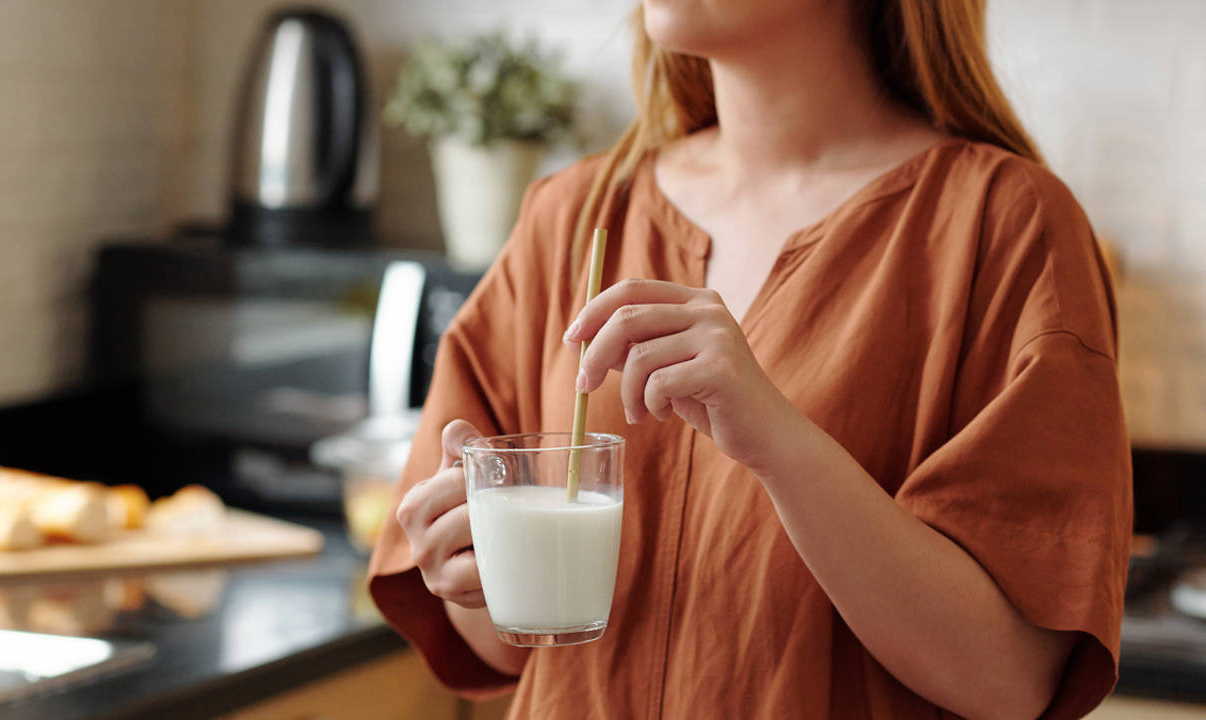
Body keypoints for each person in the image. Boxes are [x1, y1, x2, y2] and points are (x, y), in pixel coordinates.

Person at [370, 0, 1132, 718]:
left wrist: (781, 444)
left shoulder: (1007, 229)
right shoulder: (570, 217)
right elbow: (499, 647)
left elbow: (1012, 682)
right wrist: (465, 573)